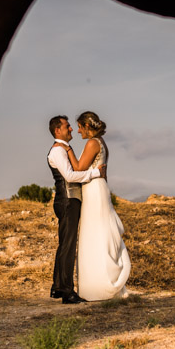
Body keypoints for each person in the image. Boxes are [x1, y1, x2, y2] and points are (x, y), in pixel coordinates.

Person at [64, 111, 131, 300]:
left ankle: (99, 286)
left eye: (79, 127)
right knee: (97, 233)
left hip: (94, 191)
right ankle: (97, 284)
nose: (78, 131)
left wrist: (67, 149)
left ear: (87, 126)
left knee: (95, 234)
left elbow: (78, 168)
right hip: (97, 188)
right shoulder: (101, 142)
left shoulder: (93, 143)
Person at [46, 115, 103, 304]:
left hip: (69, 200)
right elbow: (70, 176)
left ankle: (58, 287)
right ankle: (67, 292)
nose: (71, 129)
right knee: (68, 246)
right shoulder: (57, 151)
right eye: (67, 126)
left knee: (65, 244)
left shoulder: (63, 149)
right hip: (67, 200)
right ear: (57, 130)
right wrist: (96, 173)